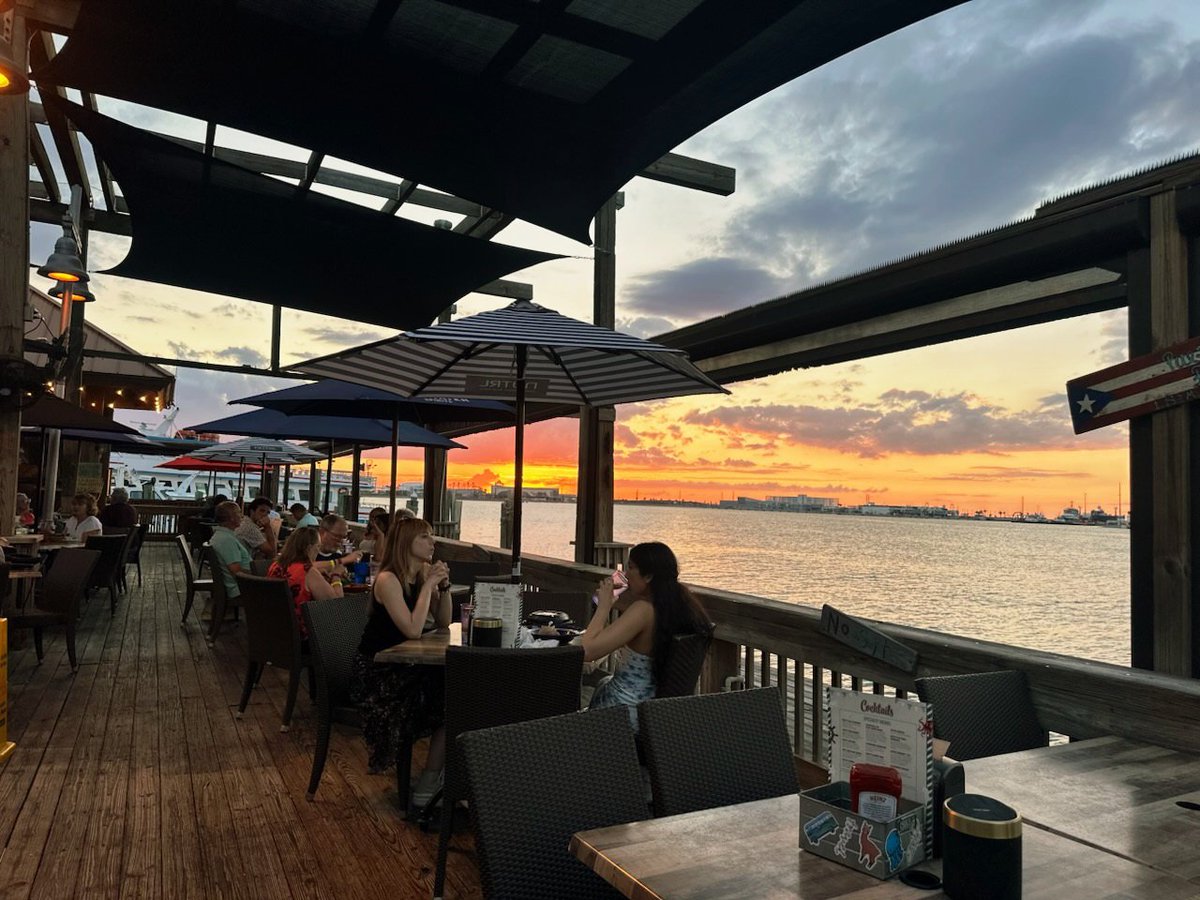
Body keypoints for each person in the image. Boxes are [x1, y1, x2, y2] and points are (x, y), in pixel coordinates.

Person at [350, 517, 452, 804]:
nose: (433, 543)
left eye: (432, 537)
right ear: (407, 543)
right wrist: (428, 585)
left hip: (406, 666)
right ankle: (428, 785)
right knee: (451, 700)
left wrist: (442, 588)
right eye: (425, 538)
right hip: (378, 674)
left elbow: (444, 622)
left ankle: (434, 779)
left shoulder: (418, 576)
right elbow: (412, 629)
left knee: (458, 691)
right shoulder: (388, 580)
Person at [580, 542, 710, 726]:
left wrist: (603, 607)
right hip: (657, 714)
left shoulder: (643, 611)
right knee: (604, 681)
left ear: (648, 576)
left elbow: (586, 652)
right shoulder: (683, 606)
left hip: (622, 714)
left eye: (631, 568)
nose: (625, 574)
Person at [267, 526, 343, 636]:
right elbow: (336, 604)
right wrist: (336, 575)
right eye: (318, 546)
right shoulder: (308, 572)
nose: (318, 550)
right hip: (302, 635)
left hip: (275, 629)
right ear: (309, 549)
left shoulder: (275, 565)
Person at [209, 500, 251, 602]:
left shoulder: (223, 535)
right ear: (231, 517)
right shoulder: (226, 540)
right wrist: (258, 575)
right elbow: (236, 571)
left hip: (241, 584)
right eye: (239, 512)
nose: (242, 516)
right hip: (240, 588)